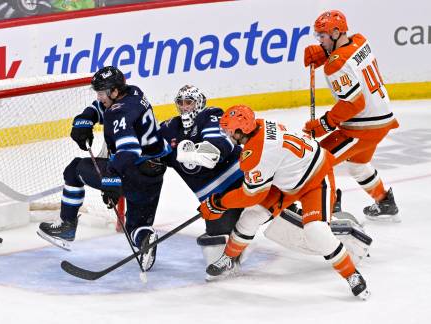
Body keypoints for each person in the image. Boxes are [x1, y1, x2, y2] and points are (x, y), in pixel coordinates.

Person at [198, 104, 370, 300]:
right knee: (251, 217)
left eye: (229, 130)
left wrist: (217, 203)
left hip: (316, 178)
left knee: (316, 231)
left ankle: (352, 275)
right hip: (287, 179)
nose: (227, 134)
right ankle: (229, 259)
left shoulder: (256, 153)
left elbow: (251, 195)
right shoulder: (261, 125)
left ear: (242, 130)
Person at [37, 66, 170, 271]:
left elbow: (129, 150)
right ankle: (146, 240)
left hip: (131, 171)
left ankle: (67, 226)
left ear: (115, 92)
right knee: (136, 227)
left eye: (101, 93)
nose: (99, 97)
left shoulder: (118, 113)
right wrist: (85, 120)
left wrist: (112, 179)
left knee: (74, 169)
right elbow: (100, 108)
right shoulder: (134, 92)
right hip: (154, 175)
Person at [303, 10, 399, 222]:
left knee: (318, 160)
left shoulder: (335, 65)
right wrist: (324, 51)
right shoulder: (360, 40)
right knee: (357, 165)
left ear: (337, 32)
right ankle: (384, 202)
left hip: (363, 127)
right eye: (317, 35)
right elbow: (349, 56)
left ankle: (330, 209)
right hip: (382, 116)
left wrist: (324, 124)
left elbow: (353, 103)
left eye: (323, 35)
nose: (320, 40)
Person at [158, 85, 246, 265]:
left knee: (272, 208)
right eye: (180, 103)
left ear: (199, 104)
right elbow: (148, 145)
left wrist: (206, 152)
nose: (184, 107)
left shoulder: (211, 115)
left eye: (189, 102)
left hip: (243, 182)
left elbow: (220, 141)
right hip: (214, 199)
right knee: (214, 253)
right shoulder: (170, 128)